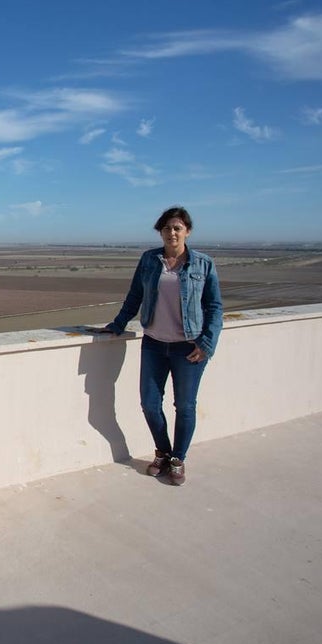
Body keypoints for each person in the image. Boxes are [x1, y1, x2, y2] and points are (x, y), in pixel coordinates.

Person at [104, 206, 222, 486]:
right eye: (167, 228)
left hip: (189, 347)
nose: (172, 232)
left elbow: (215, 307)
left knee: (185, 406)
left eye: (177, 228)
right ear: (161, 231)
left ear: (187, 232)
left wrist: (207, 343)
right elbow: (134, 296)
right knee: (149, 403)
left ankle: (178, 459)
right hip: (154, 344)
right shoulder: (149, 260)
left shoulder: (203, 264)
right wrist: (118, 324)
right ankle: (163, 452)